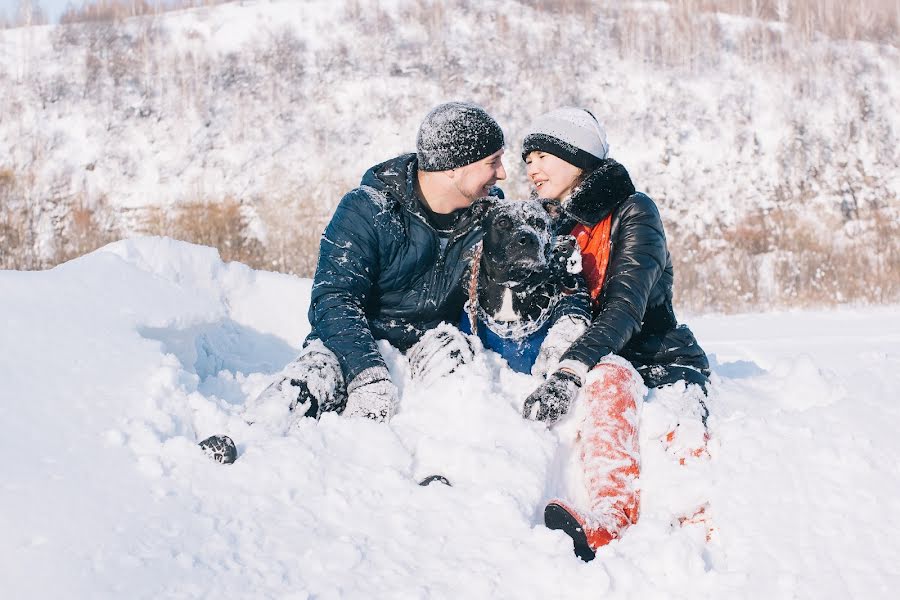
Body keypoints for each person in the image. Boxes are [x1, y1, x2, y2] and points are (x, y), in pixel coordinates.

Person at [519, 107, 710, 561]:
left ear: (578, 157)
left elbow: (626, 310)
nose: (531, 167)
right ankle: (609, 522)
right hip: (607, 362)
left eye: (543, 154)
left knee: (686, 462)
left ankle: (701, 558)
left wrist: (568, 371)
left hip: (662, 359)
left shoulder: (635, 212)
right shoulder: (555, 225)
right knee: (607, 380)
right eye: (527, 159)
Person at [246, 102, 507, 427]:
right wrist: (366, 371)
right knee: (309, 383)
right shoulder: (368, 209)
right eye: (492, 162)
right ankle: (251, 442)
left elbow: (505, 294)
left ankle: (441, 468)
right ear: (453, 166)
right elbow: (334, 298)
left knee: (460, 377)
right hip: (353, 342)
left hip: (431, 344)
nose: (502, 174)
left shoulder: (492, 216)